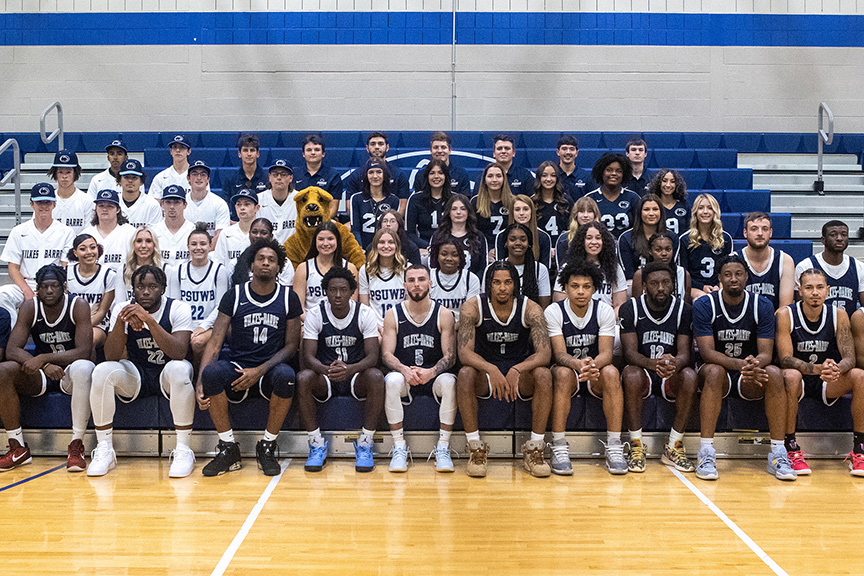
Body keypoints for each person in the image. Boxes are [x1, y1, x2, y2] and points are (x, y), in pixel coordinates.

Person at [197, 240, 301, 477]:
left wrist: (260, 370)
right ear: (251, 265)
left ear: (279, 267)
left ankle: (267, 445)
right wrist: (200, 381)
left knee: (287, 376)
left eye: (272, 260)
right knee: (211, 374)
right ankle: (228, 448)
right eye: (261, 259)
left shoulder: (288, 298)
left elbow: (292, 346)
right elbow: (215, 341)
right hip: (238, 365)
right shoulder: (234, 295)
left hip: (270, 368)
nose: (266, 262)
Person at [692, 254, 793, 481]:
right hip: (717, 369)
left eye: (738, 274)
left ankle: (778, 452)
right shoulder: (705, 305)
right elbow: (707, 353)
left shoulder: (762, 305)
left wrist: (753, 366)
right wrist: (742, 364)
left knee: (775, 374)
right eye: (727, 275)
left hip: (749, 370)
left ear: (747, 277)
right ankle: (706, 451)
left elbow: (766, 353)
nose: (733, 279)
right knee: (715, 372)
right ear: (719, 278)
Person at [89, 265, 195, 478]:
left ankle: (183, 449)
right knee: (102, 371)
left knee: (180, 368)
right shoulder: (122, 308)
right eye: (140, 287)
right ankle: (105, 449)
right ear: (133, 289)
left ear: (163, 288)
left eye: (152, 286)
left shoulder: (178, 308)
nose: (146, 292)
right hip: (137, 374)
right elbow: (111, 356)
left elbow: (179, 351)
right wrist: (120, 321)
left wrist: (148, 320)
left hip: (167, 374)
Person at [456, 261, 553, 478]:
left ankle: (535, 449)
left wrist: (517, 369)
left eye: (508, 282)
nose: (502, 288)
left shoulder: (531, 308)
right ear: (488, 285)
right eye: (497, 282)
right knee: (464, 373)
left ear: (515, 285)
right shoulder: (472, 307)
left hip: (519, 372)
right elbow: (464, 354)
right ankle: (475, 448)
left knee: (544, 374)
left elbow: (544, 354)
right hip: (486, 371)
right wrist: (491, 369)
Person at [0, 265, 93, 472]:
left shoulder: (78, 306)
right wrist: (46, 364)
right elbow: (12, 349)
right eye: (43, 287)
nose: (49, 291)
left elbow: (84, 351)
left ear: (63, 286)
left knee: (83, 367)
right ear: (38, 288)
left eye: (54, 286)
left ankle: (76, 446)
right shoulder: (30, 307)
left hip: (71, 373)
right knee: (4, 370)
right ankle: (17, 447)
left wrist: (44, 357)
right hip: (43, 375)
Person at [777, 268, 864, 476]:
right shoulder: (785, 314)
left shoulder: (839, 314)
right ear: (799, 290)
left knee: (860, 376)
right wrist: (819, 369)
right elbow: (785, 359)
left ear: (828, 290)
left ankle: (859, 450)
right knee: (790, 375)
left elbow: (850, 358)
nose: (814, 292)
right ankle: (790, 448)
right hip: (799, 380)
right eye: (808, 288)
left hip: (827, 379)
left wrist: (836, 369)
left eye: (819, 288)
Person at [297, 267, 384, 472]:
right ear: (325, 291)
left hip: (354, 375)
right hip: (325, 375)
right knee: (303, 377)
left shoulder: (364, 313)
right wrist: (327, 370)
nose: (337, 295)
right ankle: (316, 443)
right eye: (332, 290)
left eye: (343, 290)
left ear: (351, 291)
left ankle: (365, 443)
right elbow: (308, 356)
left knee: (376, 376)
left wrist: (350, 369)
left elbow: (373, 356)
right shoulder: (316, 314)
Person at [545, 261, 623, 475]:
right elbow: (559, 354)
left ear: (594, 288)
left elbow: (606, 354)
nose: (580, 291)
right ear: (566, 288)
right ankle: (559, 445)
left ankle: (614, 445)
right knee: (560, 373)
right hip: (569, 370)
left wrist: (591, 365)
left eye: (586, 286)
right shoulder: (554, 311)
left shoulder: (604, 310)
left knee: (612, 371)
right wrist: (578, 365)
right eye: (575, 286)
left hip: (594, 370)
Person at [620, 261, 698, 473]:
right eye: (654, 283)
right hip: (644, 369)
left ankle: (674, 446)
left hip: (670, 373)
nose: (661, 288)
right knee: (630, 373)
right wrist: (652, 364)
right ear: (644, 285)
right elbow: (629, 354)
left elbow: (685, 353)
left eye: (666, 282)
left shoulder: (684, 309)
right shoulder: (631, 308)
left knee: (690, 375)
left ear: (673, 284)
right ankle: (636, 445)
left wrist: (674, 363)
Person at [381, 265, 457, 472]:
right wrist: (405, 370)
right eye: (412, 280)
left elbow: (450, 356)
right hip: (406, 377)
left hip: (433, 377)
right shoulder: (392, 314)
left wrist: (431, 372)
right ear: (404, 285)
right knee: (392, 380)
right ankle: (399, 447)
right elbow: (386, 354)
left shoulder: (443, 314)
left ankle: (443, 447)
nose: (417, 285)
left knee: (450, 381)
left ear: (430, 284)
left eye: (421, 279)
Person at [0, 183, 75, 324]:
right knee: (3, 294)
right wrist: (27, 290)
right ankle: (12, 332)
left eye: (47, 202)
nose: (44, 206)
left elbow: (66, 267)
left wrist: (56, 288)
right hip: (26, 283)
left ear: (54, 204)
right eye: (39, 202)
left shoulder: (66, 232)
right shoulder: (19, 231)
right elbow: (13, 268)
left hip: (53, 285)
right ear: (32, 204)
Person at [165, 224, 230, 363]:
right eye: (194, 244)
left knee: (197, 342)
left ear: (210, 245)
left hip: (211, 325)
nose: (198, 247)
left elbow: (221, 306)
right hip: (185, 324)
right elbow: (174, 304)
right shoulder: (177, 271)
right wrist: (184, 327)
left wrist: (203, 326)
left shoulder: (220, 271)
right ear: (187, 246)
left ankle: (198, 377)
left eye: (203, 244)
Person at [795, 220, 864, 317]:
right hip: (815, 328)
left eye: (844, 235)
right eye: (833, 235)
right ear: (823, 240)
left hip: (848, 328)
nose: (839, 238)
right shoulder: (806, 266)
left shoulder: (858, 267)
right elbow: (800, 309)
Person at [553, 222, 627, 310]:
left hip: (607, 320)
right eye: (589, 238)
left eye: (598, 238)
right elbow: (559, 303)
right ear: (581, 241)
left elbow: (620, 305)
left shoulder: (615, 268)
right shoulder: (568, 267)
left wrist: (608, 320)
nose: (594, 242)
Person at [293, 222, 359, 312]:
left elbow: (352, 306)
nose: (325, 243)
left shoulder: (350, 268)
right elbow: (298, 307)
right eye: (321, 239)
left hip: (341, 323)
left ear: (337, 241)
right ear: (315, 241)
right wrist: (312, 323)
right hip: (310, 322)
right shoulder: (303, 268)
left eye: (330, 239)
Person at [66, 233, 117, 349]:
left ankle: (86, 367)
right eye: (83, 249)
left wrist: (82, 328)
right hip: (70, 323)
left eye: (93, 247)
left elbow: (102, 312)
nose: (89, 252)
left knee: (89, 339)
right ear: (75, 253)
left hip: (97, 325)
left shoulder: (109, 275)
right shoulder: (66, 272)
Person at [735, 212, 795, 310]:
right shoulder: (734, 260)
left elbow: (784, 309)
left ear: (770, 232)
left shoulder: (785, 260)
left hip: (774, 322)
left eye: (764, 229)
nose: (760, 233)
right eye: (754, 229)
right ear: (745, 233)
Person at [678, 193, 732, 300]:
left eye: (710, 208)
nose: (705, 212)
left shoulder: (725, 238)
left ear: (715, 212)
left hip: (718, 286)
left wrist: (718, 286)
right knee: (702, 300)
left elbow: (727, 270)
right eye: (701, 208)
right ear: (695, 212)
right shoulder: (685, 239)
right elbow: (683, 274)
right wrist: (701, 287)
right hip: (693, 287)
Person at [485, 223, 551, 307]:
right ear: (506, 243)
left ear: (529, 244)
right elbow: (486, 302)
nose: (518, 243)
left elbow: (543, 306)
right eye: (512, 239)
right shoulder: (491, 269)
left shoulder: (540, 269)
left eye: (523, 240)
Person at [344, 132, 410, 212]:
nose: (377, 147)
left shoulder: (399, 175)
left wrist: (389, 223)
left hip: (391, 222)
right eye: (373, 144)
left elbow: (402, 209)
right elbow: (349, 209)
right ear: (367, 148)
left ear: (387, 147)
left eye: (380, 144)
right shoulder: (355, 176)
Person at [617, 193, 677, 281]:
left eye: (655, 209)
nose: (651, 213)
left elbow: (673, 268)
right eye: (646, 209)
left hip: (665, 284)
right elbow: (628, 273)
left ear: (661, 212)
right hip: (635, 285)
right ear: (639, 212)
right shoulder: (626, 238)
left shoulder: (672, 237)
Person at [429, 194, 488, 279]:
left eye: (463, 209)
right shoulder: (438, 236)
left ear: (468, 212)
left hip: (470, 286)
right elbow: (433, 266)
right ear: (449, 212)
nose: (458, 212)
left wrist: (472, 284)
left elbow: (482, 268)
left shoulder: (478, 236)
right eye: (454, 209)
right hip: (443, 285)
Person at [80, 189, 137, 274]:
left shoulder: (130, 233)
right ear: (95, 209)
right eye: (101, 206)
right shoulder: (86, 234)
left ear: (118, 210)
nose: (105, 209)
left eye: (110, 206)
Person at [585, 153, 641, 239]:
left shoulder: (633, 198)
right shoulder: (590, 198)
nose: (614, 174)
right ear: (601, 172)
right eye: (609, 170)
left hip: (627, 248)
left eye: (619, 171)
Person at [359, 229, 407, 328]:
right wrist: (375, 328)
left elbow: (409, 306)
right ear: (375, 246)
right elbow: (365, 308)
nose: (386, 246)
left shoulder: (407, 269)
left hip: (401, 325)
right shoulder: (365, 270)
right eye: (381, 242)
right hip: (374, 327)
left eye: (391, 242)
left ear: (397, 246)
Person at [229, 218, 295, 288]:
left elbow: (286, 291)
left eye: (263, 233)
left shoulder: (285, 263)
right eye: (254, 232)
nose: (258, 236)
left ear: (271, 236)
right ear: (249, 235)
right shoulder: (234, 262)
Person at [350, 158, 401, 249]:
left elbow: (394, 231)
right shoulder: (356, 198)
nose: (375, 176)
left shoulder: (394, 200)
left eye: (378, 172)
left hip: (385, 248)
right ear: (366, 175)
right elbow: (355, 230)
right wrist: (360, 249)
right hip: (363, 248)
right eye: (371, 172)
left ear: (384, 175)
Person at [405, 159, 451, 255]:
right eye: (432, 173)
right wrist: (429, 247)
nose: (436, 176)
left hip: (450, 247)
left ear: (446, 176)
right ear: (427, 176)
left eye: (440, 173)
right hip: (424, 248)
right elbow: (410, 233)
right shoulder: (415, 199)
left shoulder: (454, 199)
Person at [292, 133, 343, 219]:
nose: (313, 153)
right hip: (299, 220)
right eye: (309, 150)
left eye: (317, 150)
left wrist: (318, 223)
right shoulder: (294, 174)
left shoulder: (333, 175)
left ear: (323, 154)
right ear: (303, 154)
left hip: (324, 222)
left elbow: (333, 209)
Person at [429, 238, 481, 321]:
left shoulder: (471, 279)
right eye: (444, 254)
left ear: (461, 258)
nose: (449, 258)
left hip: (460, 327)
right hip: (433, 328)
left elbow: (470, 313)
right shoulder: (428, 276)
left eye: (454, 255)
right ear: (437, 256)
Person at [495, 194, 552, 269]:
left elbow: (545, 268)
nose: (521, 213)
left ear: (531, 211)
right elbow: (500, 267)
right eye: (517, 209)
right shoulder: (502, 236)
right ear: (512, 212)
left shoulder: (543, 237)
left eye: (525, 209)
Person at [220, 133, 268, 220]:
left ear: (258, 154)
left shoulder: (267, 178)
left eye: (252, 150)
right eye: (245, 150)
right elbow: (223, 206)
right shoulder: (231, 179)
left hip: (262, 225)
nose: (249, 154)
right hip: (237, 224)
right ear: (239, 154)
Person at [632, 233, 691, 303]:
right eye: (658, 250)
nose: (664, 253)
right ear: (650, 251)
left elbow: (686, 307)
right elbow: (637, 306)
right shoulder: (640, 274)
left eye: (668, 249)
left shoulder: (683, 274)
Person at [184, 160, 230, 244]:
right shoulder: (181, 203)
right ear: (188, 178)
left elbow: (220, 235)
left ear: (208, 179)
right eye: (194, 174)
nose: (199, 178)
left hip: (212, 252)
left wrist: (204, 251)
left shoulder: (219, 204)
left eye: (203, 174)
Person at [412, 131, 472, 196]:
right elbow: (418, 201)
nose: (440, 151)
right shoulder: (421, 175)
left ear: (450, 150)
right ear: (431, 151)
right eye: (436, 147)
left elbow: (465, 202)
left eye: (443, 147)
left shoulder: (461, 174)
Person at [48, 149, 94, 234]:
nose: (64, 176)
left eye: (68, 172)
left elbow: (90, 232)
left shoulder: (87, 201)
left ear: (75, 173)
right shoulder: (47, 200)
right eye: (60, 172)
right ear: (55, 174)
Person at [532, 161, 572, 258]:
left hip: (564, 251)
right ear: (539, 178)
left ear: (557, 178)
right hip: (539, 252)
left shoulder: (567, 201)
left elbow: (572, 228)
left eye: (553, 175)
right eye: (544, 175)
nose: (548, 179)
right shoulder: (532, 202)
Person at [213, 188, 259, 270]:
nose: (242, 208)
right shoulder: (226, 233)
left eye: (247, 204)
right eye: (238, 204)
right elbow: (218, 264)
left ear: (257, 208)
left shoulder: (263, 233)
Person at [472, 162, 515, 249]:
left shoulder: (513, 201)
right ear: (484, 179)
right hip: (482, 249)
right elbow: (472, 232)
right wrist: (486, 251)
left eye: (498, 176)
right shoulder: (475, 202)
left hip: (508, 250)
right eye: (490, 176)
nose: (494, 180)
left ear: (504, 179)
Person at [151, 184, 195, 267]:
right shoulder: (154, 231)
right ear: (162, 204)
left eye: (177, 202)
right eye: (168, 202)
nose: (172, 206)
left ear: (185, 205)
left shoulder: (192, 230)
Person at [115, 227, 162, 302]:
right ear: (133, 244)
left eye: (148, 241)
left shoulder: (165, 269)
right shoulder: (123, 270)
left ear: (154, 245)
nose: (143, 245)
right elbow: (119, 304)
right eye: (139, 241)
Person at [257, 159, 297, 244]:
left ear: (290, 178)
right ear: (270, 177)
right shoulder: (258, 200)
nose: (279, 178)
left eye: (283, 174)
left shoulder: (300, 199)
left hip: (294, 253)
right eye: (275, 175)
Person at [555, 195, 600, 270]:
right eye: (581, 211)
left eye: (589, 211)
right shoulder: (564, 239)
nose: (585, 215)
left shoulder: (605, 237)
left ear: (595, 215)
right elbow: (561, 268)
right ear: (576, 215)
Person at [115, 159, 162, 229]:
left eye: (134, 177)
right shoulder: (113, 203)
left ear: (141, 181)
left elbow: (154, 234)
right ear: (119, 181)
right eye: (126, 177)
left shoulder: (152, 204)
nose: (130, 181)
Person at [647, 169, 689, 237]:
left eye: (672, 181)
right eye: (664, 181)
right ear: (659, 183)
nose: (668, 185)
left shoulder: (684, 205)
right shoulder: (653, 205)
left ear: (677, 184)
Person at [148, 135, 192, 199]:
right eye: (174, 147)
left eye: (182, 147)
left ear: (189, 151)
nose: (178, 150)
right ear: (171, 151)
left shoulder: (197, 177)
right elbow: (154, 203)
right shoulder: (160, 177)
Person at [555, 135, 582, 201]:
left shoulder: (587, 177)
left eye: (572, 149)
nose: (568, 152)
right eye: (564, 149)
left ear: (576, 153)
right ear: (558, 152)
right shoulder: (552, 175)